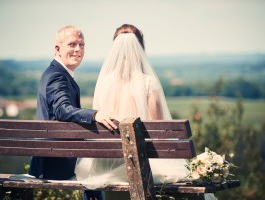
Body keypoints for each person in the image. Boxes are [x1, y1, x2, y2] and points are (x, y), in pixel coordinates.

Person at [75, 24, 216, 200]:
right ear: (140, 48)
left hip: (107, 166)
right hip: (143, 166)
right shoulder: (148, 84)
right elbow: (160, 134)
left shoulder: (104, 84)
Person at [29, 25, 117, 200]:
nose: (78, 49)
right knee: (103, 167)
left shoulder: (56, 72)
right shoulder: (57, 76)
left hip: (56, 157)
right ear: (57, 49)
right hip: (56, 162)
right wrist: (94, 115)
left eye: (82, 45)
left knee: (98, 164)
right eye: (72, 44)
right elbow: (62, 110)